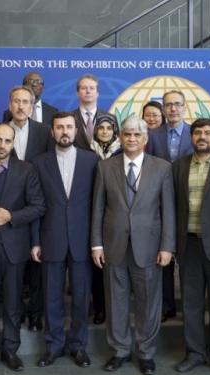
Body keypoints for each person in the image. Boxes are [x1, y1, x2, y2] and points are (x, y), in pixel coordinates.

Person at [91, 115, 175, 375]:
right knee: (115, 301)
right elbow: (98, 209)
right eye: (127, 134)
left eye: (137, 134)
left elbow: (168, 211)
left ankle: (146, 353)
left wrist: (167, 246)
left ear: (145, 138)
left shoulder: (162, 168)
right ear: (120, 137)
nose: (131, 138)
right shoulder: (105, 167)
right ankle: (120, 351)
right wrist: (96, 245)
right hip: (113, 244)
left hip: (149, 247)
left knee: (149, 301)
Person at [0, 123, 45, 374]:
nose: (3, 145)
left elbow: (38, 206)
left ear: (13, 144)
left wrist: (10, 216)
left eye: (8, 141)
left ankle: (11, 350)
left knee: (14, 304)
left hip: (15, 246)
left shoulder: (27, 170)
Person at [32, 112, 99, 368]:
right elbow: (36, 205)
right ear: (52, 132)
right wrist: (35, 241)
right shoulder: (39, 163)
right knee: (52, 296)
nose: (64, 132)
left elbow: (97, 205)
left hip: (83, 241)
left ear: (76, 131)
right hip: (51, 239)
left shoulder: (91, 161)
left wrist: (96, 242)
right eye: (59, 127)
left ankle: (78, 345)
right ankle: (54, 345)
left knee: (82, 297)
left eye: (69, 127)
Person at [172, 119, 210, 375]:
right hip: (189, 245)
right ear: (191, 137)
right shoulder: (178, 167)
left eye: (208, 133)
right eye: (197, 132)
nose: (202, 137)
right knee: (191, 303)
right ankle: (195, 353)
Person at [7, 85, 53, 332]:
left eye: (26, 102)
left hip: (37, 207)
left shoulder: (45, 132)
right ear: (10, 104)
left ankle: (36, 313)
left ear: (32, 106)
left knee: (37, 267)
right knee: (14, 268)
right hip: (8, 210)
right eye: (16, 101)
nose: (21, 106)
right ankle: (16, 313)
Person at [147, 90, 194, 322]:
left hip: (189, 203)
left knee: (187, 258)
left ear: (185, 107)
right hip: (160, 204)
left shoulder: (195, 134)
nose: (173, 109)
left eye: (177, 104)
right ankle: (167, 306)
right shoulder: (153, 136)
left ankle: (189, 306)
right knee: (162, 256)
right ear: (163, 109)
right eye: (168, 105)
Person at [88, 113, 121, 325]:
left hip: (116, 216)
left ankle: (116, 309)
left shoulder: (123, 153)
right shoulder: (88, 153)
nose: (105, 132)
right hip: (93, 212)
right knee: (97, 267)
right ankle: (100, 308)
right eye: (101, 128)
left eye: (109, 128)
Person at [71, 74, 112, 150]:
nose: (88, 91)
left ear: (97, 93)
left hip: (103, 161)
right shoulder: (69, 118)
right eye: (83, 88)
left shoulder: (110, 118)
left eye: (92, 88)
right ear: (77, 93)